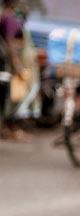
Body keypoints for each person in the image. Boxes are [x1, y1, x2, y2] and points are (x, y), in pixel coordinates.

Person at [0, 0, 34, 141]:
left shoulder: (6, 17)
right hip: (6, 66)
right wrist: (18, 66)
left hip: (6, 65)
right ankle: (9, 129)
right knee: (7, 98)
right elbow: (11, 44)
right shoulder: (8, 18)